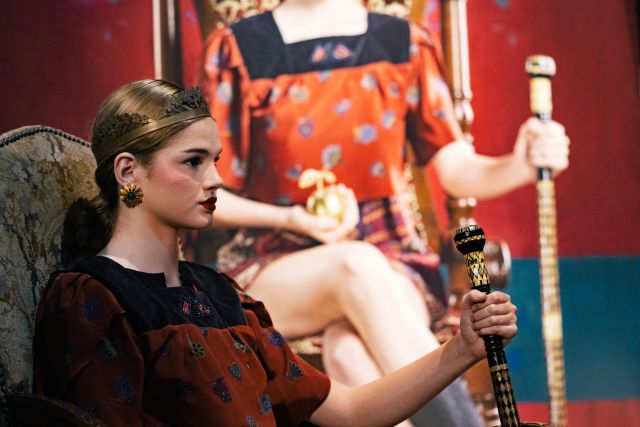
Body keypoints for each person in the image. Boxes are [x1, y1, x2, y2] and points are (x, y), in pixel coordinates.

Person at [33, 79, 518, 427]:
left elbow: (349, 411)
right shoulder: (93, 300)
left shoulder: (223, 296)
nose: (216, 179)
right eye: (193, 162)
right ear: (128, 172)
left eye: (215, 160)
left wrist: (461, 349)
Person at [199, 0, 569, 425]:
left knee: (349, 352)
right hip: (273, 266)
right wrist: (290, 219)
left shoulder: (404, 42)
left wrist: (520, 164)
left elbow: (457, 171)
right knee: (356, 265)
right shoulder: (237, 49)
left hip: (392, 262)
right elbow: (203, 190)